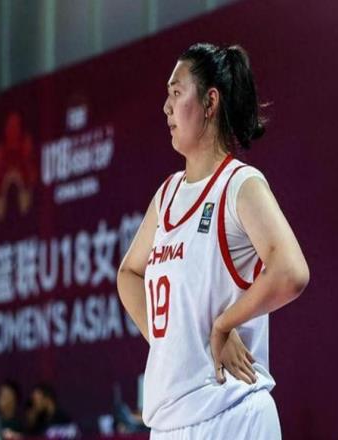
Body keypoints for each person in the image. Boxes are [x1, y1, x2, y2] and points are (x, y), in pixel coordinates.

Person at [117, 42, 310, 439]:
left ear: (210, 102)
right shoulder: (167, 194)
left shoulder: (239, 184)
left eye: (176, 93)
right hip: (170, 423)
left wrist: (224, 324)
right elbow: (128, 274)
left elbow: (291, 272)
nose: (166, 107)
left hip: (232, 412)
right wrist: (179, 342)